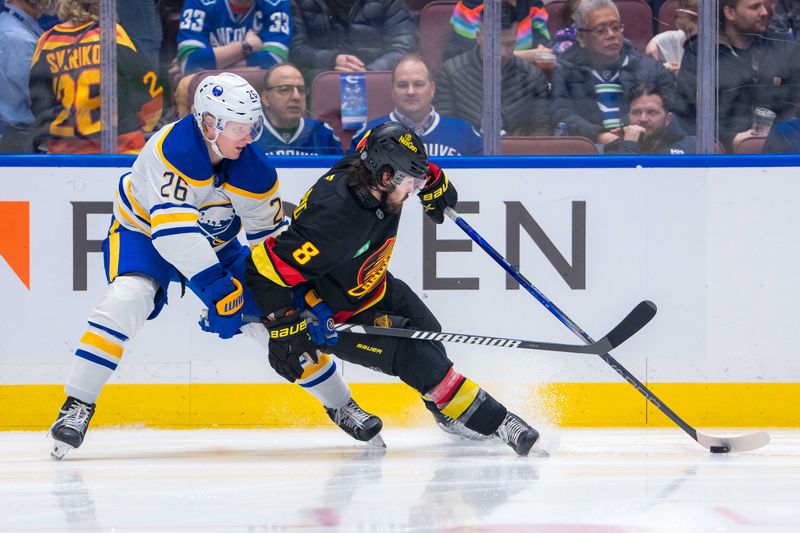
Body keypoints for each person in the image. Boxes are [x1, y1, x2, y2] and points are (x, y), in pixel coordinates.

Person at [48, 73, 382, 460]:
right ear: (208, 124)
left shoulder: (256, 171)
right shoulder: (170, 150)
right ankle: (77, 404)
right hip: (144, 234)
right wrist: (220, 290)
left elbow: (272, 247)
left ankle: (341, 404)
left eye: (253, 126)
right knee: (126, 298)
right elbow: (174, 237)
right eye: (239, 127)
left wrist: (301, 298)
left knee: (277, 324)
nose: (248, 136)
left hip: (217, 246)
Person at [244, 121, 544, 457]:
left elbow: (383, 147)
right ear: (386, 177)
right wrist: (283, 325)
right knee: (416, 357)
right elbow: (263, 270)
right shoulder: (334, 219)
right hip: (333, 314)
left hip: (373, 287)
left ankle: (445, 411)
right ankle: (501, 423)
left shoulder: (369, 170)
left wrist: (433, 179)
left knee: (429, 332)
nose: (414, 190)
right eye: (411, 183)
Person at [27, 0, 164, 154]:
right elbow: (151, 99)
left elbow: (38, 105)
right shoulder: (113, 35)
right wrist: (141, 126)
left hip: (65, 156)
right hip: (122, 152)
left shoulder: (46, 41)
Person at [676, 0, 800, 151]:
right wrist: (730, 139)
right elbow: (686, 113)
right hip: (723, 156)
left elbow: (796, 106)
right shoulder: (700, 53)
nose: (764, 12)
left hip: (783, 152)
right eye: (755, 7)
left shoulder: (786, 47)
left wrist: (777, 137)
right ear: (730, 13)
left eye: (763, 5)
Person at [551, 0, 675, 146]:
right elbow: (561, 115)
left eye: (616, 27)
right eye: (600, 30)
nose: (611, 35)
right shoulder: (565, 71)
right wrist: (598, 135)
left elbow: (676, 118)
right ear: (581, 38)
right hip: (591, 151)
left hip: (644, 151)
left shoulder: (653, 70)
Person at [434, 1, 551, 136]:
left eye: (510, 44)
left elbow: (542, 133)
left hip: (520, 149)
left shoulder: (534, 78)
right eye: (495, 44)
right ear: (479, 37)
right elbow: (446, 133)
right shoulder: (449, 74)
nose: (502, 53)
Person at [349, 54, 482, 156]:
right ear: (392, 90)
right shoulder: (368, 134)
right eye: (402, 85)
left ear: (432, 89)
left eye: (418, 84)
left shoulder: (465, 132)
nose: (410, 92)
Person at [288, 0, 418, 84]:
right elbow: (295, 50)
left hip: (376, 78)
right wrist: (333, 60)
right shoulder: (300, 3)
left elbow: (404, 46)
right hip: (323, 77)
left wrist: (370, 71)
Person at [0, 0, 56, 153]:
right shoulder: (17, 37)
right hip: (20, 141)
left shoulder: (14, 25)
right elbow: (40, 96)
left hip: (21, 137)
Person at [253, 63, 343, 155]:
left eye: (301, 90)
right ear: (266, 98)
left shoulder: (322, 133)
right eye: (285, 89)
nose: (297, 97)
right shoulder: (249, 134)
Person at [604, 83, 695, 154]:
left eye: (652, 112)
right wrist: (629, 144)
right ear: (629, 117)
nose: (643, 119)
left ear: (668, 119)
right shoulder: (615, 148)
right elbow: (621, 173)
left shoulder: (692, 146)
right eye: (636, 112)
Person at [645, 0, 698, 76]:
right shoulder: (683, 35)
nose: (686, 35)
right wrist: (654, 42)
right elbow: (674, 36)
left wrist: (681, 70)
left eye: (689, 30)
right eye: (683, 30)